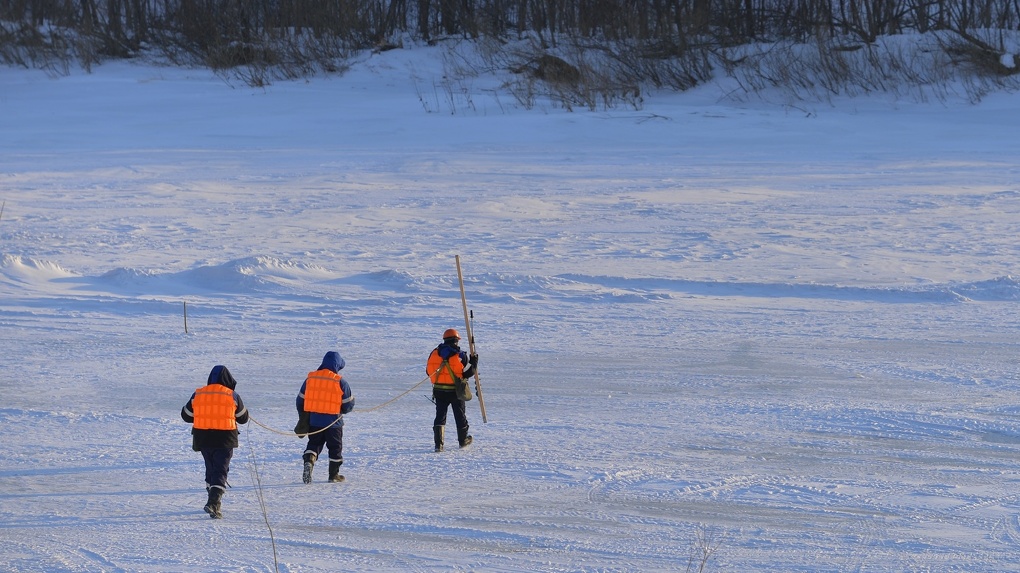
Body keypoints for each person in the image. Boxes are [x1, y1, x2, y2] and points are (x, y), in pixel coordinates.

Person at [180, 365, 249, 519]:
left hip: (203, 438)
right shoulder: (232, 395)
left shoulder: (198, 394)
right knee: (220, 469)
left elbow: (186, 415)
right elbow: (243, 418)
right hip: (225, 438)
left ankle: (212, 496)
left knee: (211, 467)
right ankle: (213, 502)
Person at [297, 351, 355, 483]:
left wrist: (303, 416)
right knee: (335, 448)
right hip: (333, 423)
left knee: (314, 444)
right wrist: (342, 410)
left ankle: (309, 461)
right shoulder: (341, 382)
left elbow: (300, 400)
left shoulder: (310, 379)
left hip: (315, 421)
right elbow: (349, 404)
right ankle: (333, 475)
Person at [427, 328, 478, 452]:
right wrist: (474, 363)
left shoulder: (434, 353)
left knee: (440, 416)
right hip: (456, 392)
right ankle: (463, 440)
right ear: (456, 341)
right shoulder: (460, 355)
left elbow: (428, 372)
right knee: (460, 416)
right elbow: (466, 373)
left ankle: (438, 445)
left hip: (439, 391)